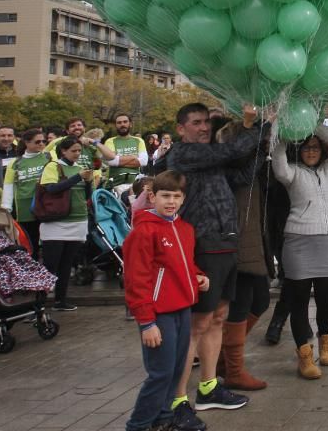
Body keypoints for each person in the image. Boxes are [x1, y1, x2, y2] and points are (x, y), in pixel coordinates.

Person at [162, 103, 265, 424]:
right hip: (203, 247)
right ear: (181, 129)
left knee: (219, 317)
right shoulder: (183, 154)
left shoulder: (212, 157)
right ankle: (177, 400)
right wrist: (253, 125)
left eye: (207, 122)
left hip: (225, 244)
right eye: (196, 122)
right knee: (195, 325)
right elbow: (231, 151)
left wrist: (268, 137)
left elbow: (244, 172)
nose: (204, 127)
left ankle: (208, 388)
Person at [124, 171, 210, 431]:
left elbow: (183, 264)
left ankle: (163, 419)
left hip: (182, 308)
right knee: (160, 373)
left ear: (183, 198)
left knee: (175, 369)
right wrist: (147, 321)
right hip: (158, 314)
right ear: (152, 197)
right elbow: (136, 279)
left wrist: (198, 276)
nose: (170, 201)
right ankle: (137, 425)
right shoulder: (144, 232)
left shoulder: (184, 228)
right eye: (165, 196)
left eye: (176, 196)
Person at [271, 124, 328, 380]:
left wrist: (311, 123)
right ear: (298, 149)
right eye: (305, 147)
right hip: (299, 242)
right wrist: (287, 130)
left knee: (326, 299)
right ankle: (304, 355)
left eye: (315, 146)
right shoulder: (291, 173)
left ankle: (325, 343)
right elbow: (278, 160)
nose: (311, 151)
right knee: (299, 301)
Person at [213, 122, 270, 392]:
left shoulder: (248, 160)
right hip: (236, 237)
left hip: (251, 236)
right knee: (244, 300)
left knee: (259, 300)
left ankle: (224, 360)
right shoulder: (230, 162)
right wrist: (262, 133)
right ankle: (232, 369)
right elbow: (244, 176)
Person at [39, 134, 96, 311]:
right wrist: (77, 178)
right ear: (63, 151)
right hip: (56, 222)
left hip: (78, 220)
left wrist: (87, 182)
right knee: (50, 265)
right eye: (73, 151)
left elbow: (87, 195)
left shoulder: (80, 168)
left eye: (79, 150)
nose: (77, 154)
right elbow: (51, 189)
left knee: (66, 264)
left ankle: (60, 300)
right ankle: (39, 304)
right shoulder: (53, 167)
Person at [2, 129, 52, 257]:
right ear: (27, 143)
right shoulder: (15, 162)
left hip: (47, 205)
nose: (41, 144)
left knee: (49, 241)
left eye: (44, 141)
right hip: (25, 208)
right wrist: (6, 208)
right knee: (31, 243)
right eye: (37, 141)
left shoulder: (49, 157)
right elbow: (8, 185)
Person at [105, 114, 149, 187]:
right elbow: (111, 161)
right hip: (114, 184)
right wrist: (133, 157)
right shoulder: (110, 141)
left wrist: (119, 160)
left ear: (130, 124)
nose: (122, 124)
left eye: (125, 122)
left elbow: (143, 161)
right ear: (116, 126)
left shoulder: (139, 141)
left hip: (135, 185)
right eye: (119, 123)